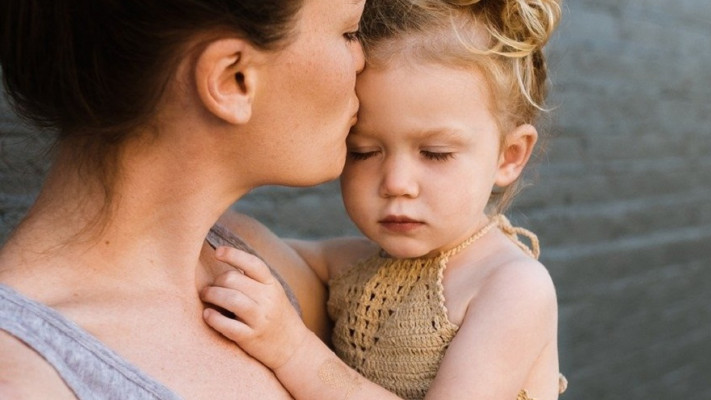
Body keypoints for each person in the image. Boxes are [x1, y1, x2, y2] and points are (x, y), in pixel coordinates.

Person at [201, 0, 567, 399]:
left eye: (435, 153)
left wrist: (292, 349)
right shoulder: (355, 265)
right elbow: (253, 246)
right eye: (363, 152)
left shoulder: (511, 286)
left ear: (509, 155)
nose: (396, 183)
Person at [0, 0, 365, 398]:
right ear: (232, 78)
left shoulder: (253, 262)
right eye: (349, 33)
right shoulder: (24, 377)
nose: (364, 59)